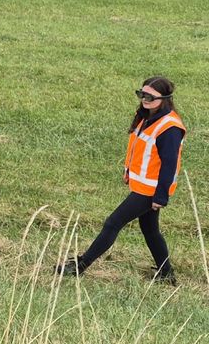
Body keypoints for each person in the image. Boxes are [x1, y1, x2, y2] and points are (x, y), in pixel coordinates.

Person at [58, 77, 186, 283]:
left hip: (150, 191)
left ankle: (80, 266)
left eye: (149, 96)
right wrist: (128, 172)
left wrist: (161, 196)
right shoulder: (146, 116)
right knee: (150, 230)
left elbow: (170, 166)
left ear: (164, 99)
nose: (144, 99)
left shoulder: (169, 128)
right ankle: (166, 274)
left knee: (112, 223)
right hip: (142, 186)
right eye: (141, 94)